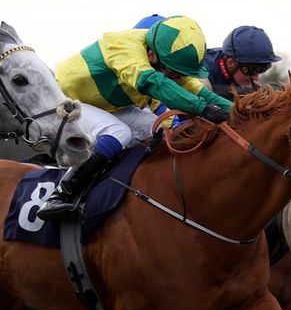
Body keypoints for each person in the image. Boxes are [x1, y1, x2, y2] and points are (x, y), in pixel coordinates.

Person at [40, 16, 233, 220]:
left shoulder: (161, 56)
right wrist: (204, 109)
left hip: (106, 106)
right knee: (118, 132)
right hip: (64, 100)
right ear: (152, 54)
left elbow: (198, 90)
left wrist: (237, 110)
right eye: (175, 73)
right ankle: (60, 195)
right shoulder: (123, 47)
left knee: (162, 130)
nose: (178, 78)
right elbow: (153, 82)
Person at [203, 25, 281, 99]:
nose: (256, 78)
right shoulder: (202, 69)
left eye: (262, 70)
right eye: (251, 70)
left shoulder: (238, 72)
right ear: (231, 63)